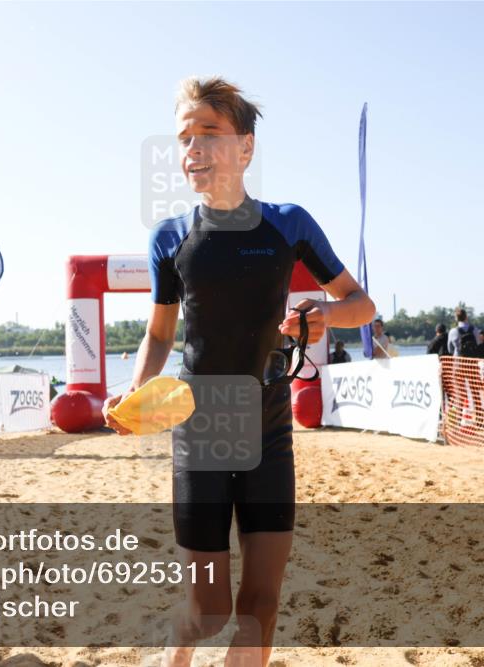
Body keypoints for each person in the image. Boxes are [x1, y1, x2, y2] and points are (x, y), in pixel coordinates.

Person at [102, 77, 374, 667]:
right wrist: (135, 395)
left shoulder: (288, 224)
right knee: (208, 612)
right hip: (200, 428)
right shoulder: (171, 237)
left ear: (245, 148)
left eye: (208, 133)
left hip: (270, 423)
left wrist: (324, 314)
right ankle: (174, 657)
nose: (192, 149)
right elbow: (159, 332)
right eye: (183, 138)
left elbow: (361, 305)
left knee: (260, 604)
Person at [447, 308, 484, 428]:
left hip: (458, 364)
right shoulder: (475, 330)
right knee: (476, 392)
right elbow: (479, 343)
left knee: (459, 393)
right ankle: (479, 420)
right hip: (472, 363)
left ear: (455, 318)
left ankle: (458, 419)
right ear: (466, 317)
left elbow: (450, 349)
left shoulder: (453, 331)